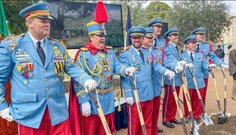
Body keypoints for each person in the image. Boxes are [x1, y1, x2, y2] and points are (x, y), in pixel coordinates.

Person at [0, 2, 97, 135]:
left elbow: (70, 66)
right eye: (43, 20)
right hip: (29, 114)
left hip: (57, 112)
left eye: (48, 21)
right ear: (29, 23)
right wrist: (2, 107)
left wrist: (85, 79)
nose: (47, 24)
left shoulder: (57, 46)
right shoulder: (12, 46)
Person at [72, 21, 136, 135]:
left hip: (108, 99)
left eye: (103, 36)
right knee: (91, 131)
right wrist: (84, 100)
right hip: (92, 101)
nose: (103, 38)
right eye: (99, 35)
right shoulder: (83, 54)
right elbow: (78, 81)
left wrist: (125, 70)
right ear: (91, 37)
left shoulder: (110, 52)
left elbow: (117, 66)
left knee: (106, 130)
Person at [120, 26, 175, 135]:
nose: (137, 40)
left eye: (139, 37)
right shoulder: (125, 55)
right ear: (131, 39)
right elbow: (124, 76)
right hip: (135, 96)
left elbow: (156, 66)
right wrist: (128, 94)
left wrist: (166, 71)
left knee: (148, 122)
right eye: (134, 37)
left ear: (142, 38)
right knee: (135, 125)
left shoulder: (148, 53)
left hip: (149, 94)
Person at [142, 27, 174, 134]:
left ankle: (153, 128)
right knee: (144, 114)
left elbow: (167, 62)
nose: (151, 39)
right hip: (143, 90)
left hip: (156, 87)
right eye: (149, 37)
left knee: (155, 112)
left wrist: (176, 65)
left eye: (153, 37)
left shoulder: (159, 51)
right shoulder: (138, 52)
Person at [191, 27, 229, 105]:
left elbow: (213, 57)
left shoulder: (207, 46)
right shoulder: (190, 44)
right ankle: (191, 113)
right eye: (199, 34)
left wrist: (222, 64)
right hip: (193, 74)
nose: (201, 36)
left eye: (203, 34)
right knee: (193, 94)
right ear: (195, 35)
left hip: (204, 73)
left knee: (202, 94)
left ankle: (201, 112)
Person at [180, 35, 208, 121]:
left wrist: (209, 67)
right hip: (188, 81)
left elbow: (204, 65)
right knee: (188, 99)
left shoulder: (200, 54)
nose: (194, 45)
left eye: (195, 43)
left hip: (199, 80)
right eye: (192, 43)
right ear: (187, 45)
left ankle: (196, 115)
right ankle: (188, 115)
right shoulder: (181, 55)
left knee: (198, 100)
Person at [162, 27, 185, 128]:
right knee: (169, 99)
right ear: (169, 37)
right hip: (170, 78)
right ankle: (165, 119)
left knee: (175, 99)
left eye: (177, 35)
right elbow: (170, 59)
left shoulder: (176, 47)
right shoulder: (167, 48)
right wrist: (177, 63)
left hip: (177, 77)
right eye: (174, 35)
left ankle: (172, 117)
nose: (176, 37)